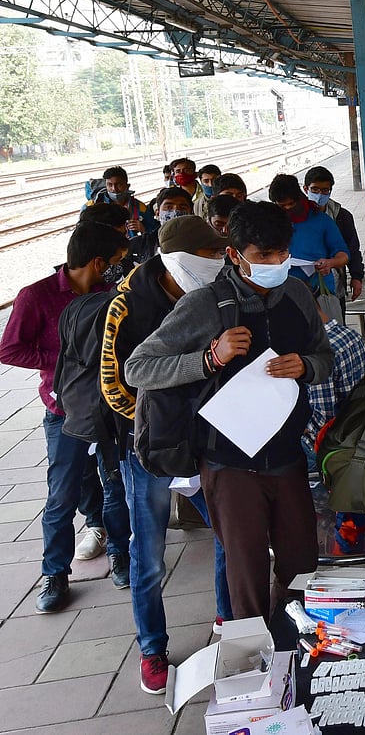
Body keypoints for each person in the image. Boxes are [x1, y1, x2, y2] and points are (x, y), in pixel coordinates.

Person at [124, 201, 333, 620]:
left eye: (282, 254)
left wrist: (307, 367)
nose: (276, 264)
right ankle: (257, 662)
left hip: (289, 456)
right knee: (246, 573)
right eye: (263, 256)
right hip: (228, 463)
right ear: (236, 256)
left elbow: (322, 356)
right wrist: (208, 359)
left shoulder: (296, 293)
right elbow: (137, 368)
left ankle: (295, 643)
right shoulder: (206, 305)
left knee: (301, 564)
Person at [99, 215, 233, 694]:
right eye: (211, 254)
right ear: (180, 259)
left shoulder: (215, 297)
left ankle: (227, 620)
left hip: (202, 442)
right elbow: (115, 383)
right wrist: (157, 430)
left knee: (227, 534)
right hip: (148, 450)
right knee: (149, 553)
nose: (220, 261)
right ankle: (152, 648)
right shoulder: (127, 305)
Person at [0, 222, 132, 613]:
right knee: (62, 495)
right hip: (64, 412)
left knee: (115, 487)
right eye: (115, 263)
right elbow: (9, 349)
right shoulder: (36, 297)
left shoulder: (109, 294)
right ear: (96, 261)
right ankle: (55, 573)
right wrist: (64, 363)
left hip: (109, 410)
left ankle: (120, 555)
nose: (117, 270)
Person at [302, 299, 365, 472]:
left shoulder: (315, 352)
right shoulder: (352, 335)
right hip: (358, 429)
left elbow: (323, 416)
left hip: (326, 444)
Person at [267, 173, 349, 298]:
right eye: (282, 206)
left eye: (291, 204)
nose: (288, 209)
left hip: (319, 289)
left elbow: (343, 255)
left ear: (300, 197)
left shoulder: (321, 220)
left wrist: (330, 262)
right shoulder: (269, 222)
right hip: (280, 290)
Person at [303, 166, 365, 301]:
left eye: (325, 190)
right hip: (304, 285)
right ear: (306, 189)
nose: (320, 195)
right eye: (315, 189)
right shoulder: (298, 218)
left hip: (335, 286)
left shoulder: (342, 216)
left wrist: (356, 277)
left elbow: (352, 248)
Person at [85, 165, 154, 233]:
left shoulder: (140, 208)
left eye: (119, 184)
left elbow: (155, 229)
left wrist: (144, 228)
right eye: (110, 185)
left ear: (127, 186)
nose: (114, 189)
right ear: (105, 186)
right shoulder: (92, 206)